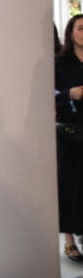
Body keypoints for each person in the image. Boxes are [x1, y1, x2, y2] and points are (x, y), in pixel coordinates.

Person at [55, 14, 83, 262]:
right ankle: (68, 241)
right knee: (69, 186)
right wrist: (70, 94)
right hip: (70, 135)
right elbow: (50, 96)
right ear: (70, 32)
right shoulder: (59, 63)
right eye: (81, 28)